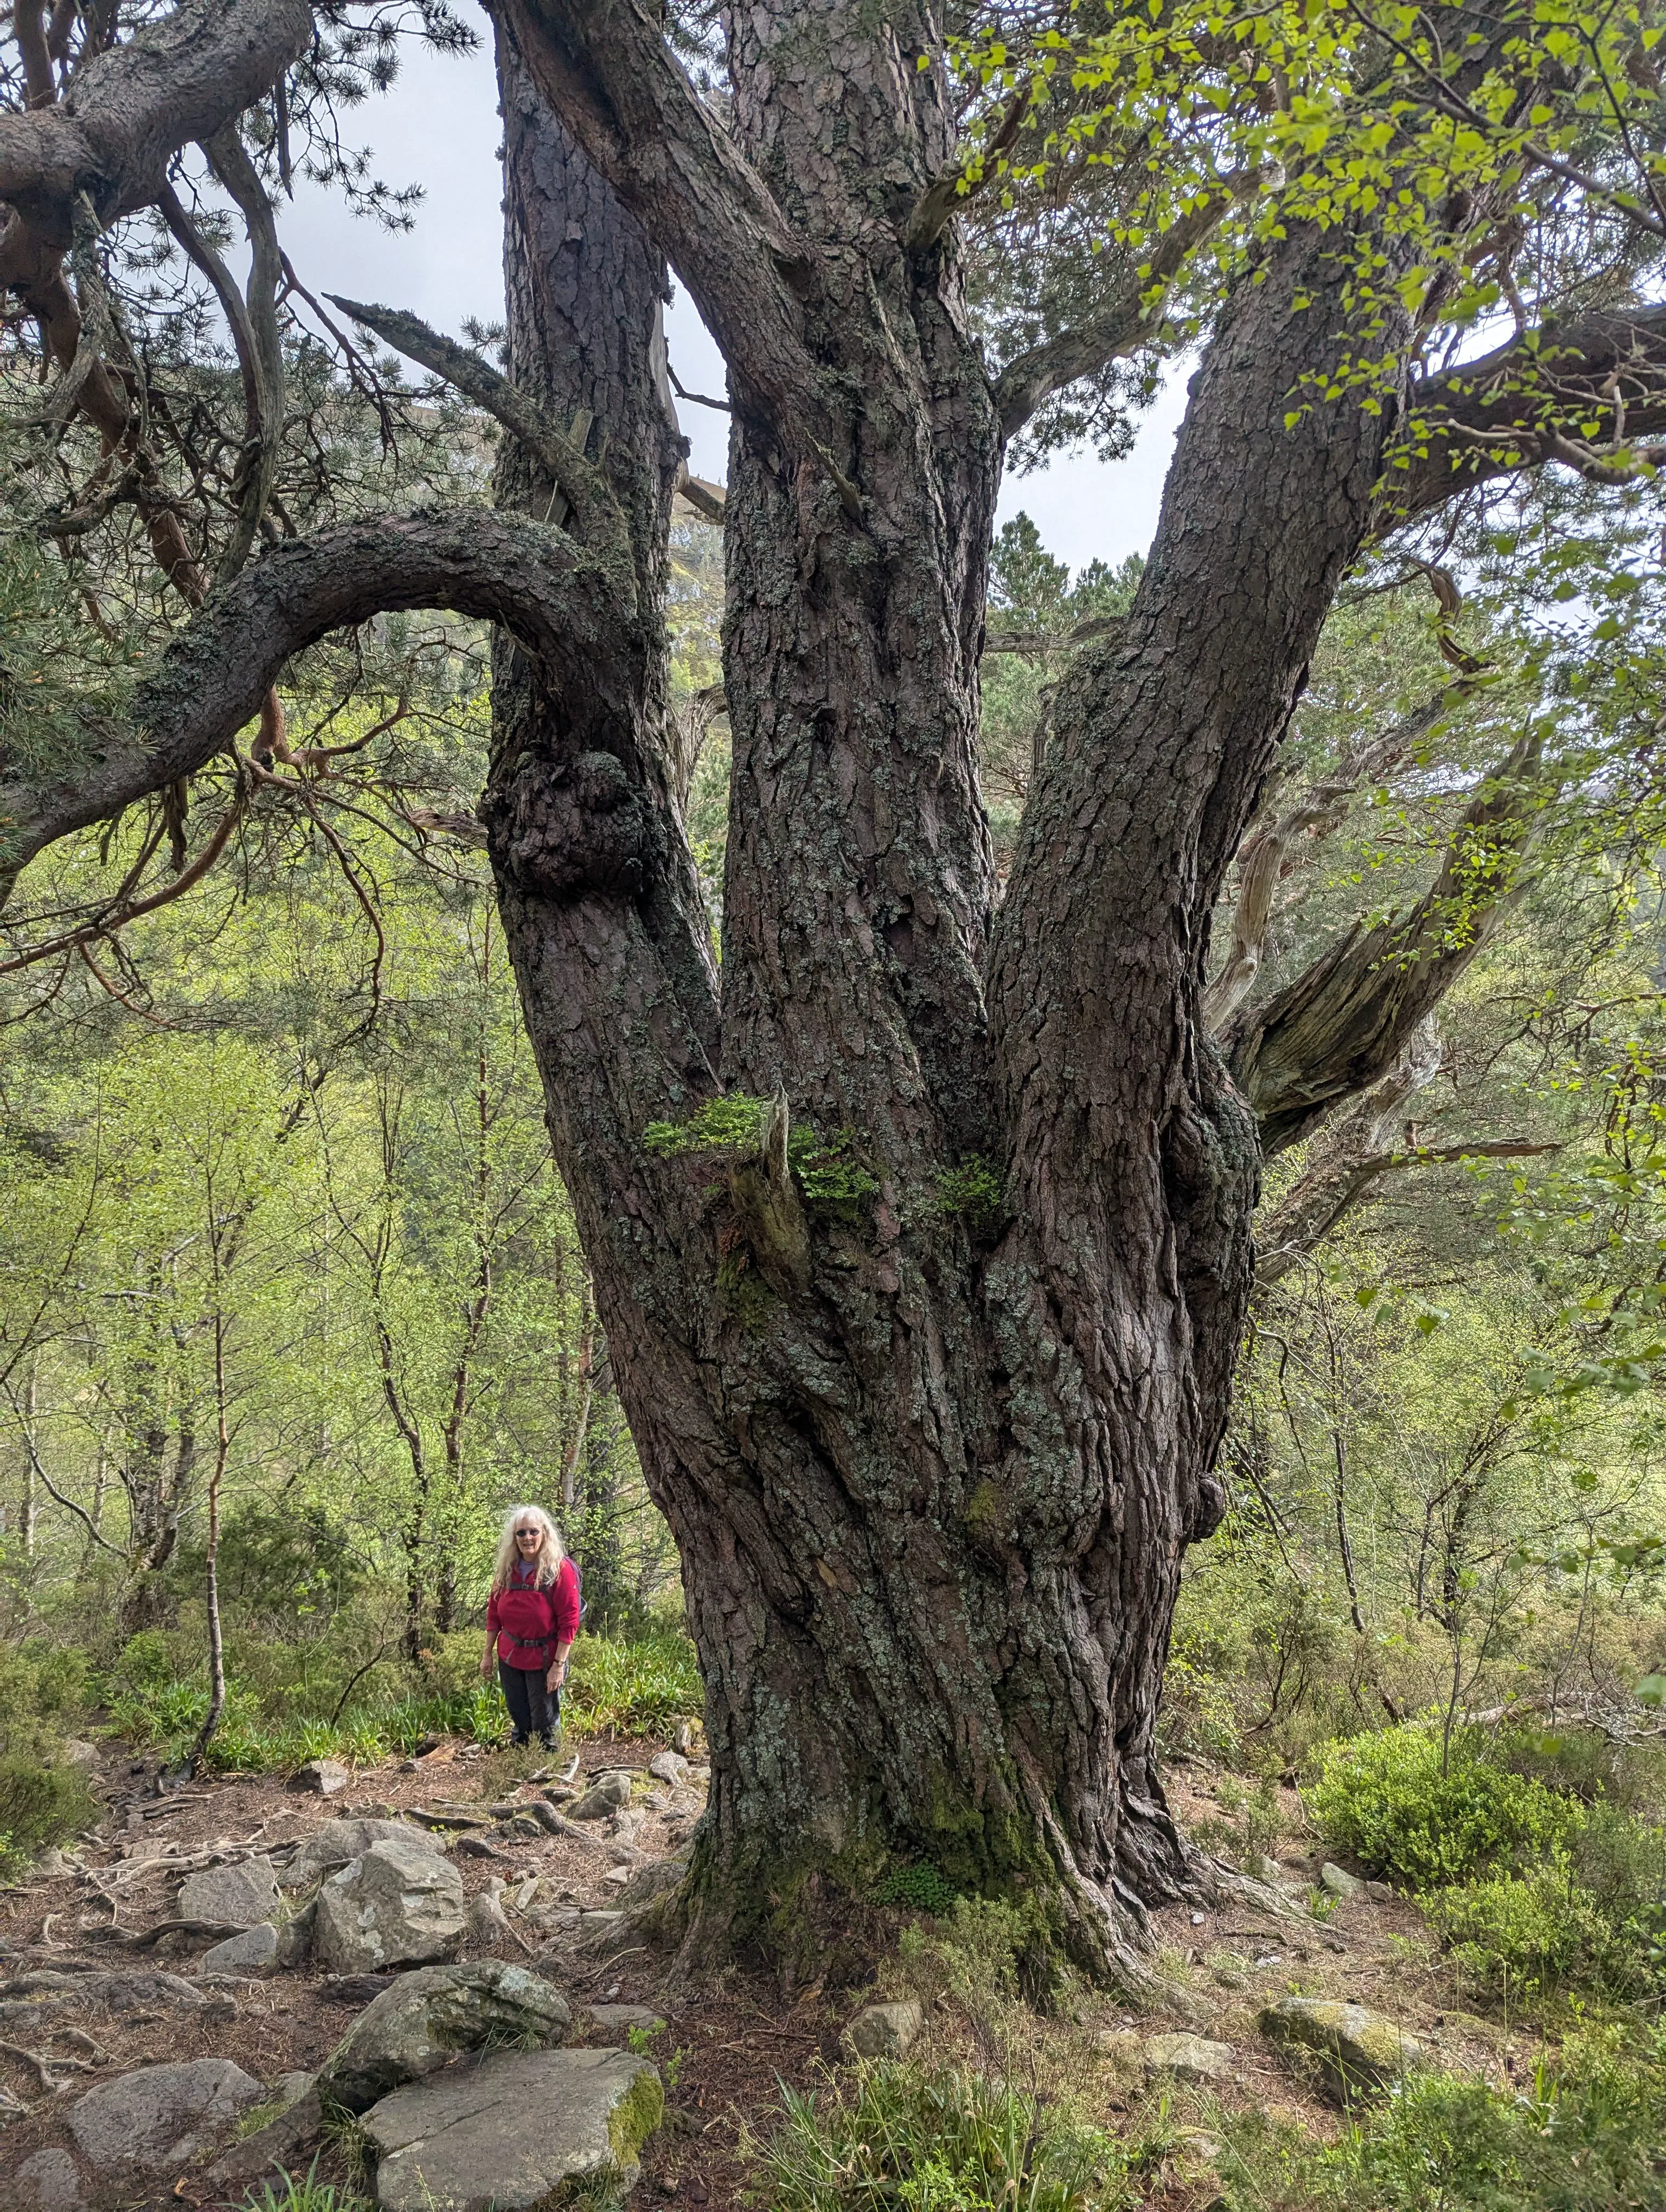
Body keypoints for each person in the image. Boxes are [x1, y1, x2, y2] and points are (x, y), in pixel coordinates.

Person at [480, 1504, 580, 1750]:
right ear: (514, 1538)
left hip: (544, 1659)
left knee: (544, 1721)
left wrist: (558, 1666)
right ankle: (521, 1766)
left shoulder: (559, 1571)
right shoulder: (507, 1570)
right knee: (520, 1717)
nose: (527, 1538)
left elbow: (570, 1621)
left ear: (544, 1533)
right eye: (521, 1533)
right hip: (511, 1656)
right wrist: (487, 1655)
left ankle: (548, 1772)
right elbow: (494, 1615)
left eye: (533, 1532)